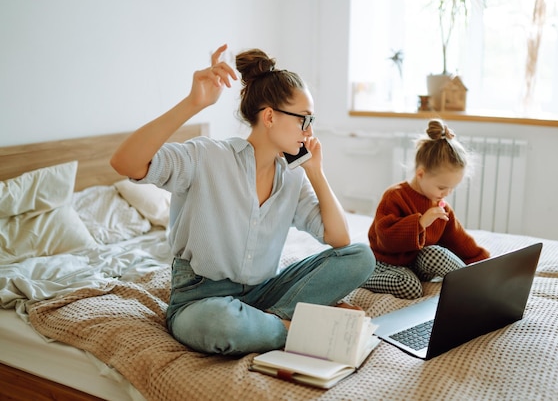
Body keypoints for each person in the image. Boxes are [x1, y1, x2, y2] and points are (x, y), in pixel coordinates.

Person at [110, 44, 375, 356]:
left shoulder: (291, 175)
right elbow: (125, 163)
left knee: (362, 256)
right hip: (201, 299)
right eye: (304, 119)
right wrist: (193, 104)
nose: (309, 131)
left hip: (265, 292)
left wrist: (316, 173)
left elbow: (340, 239)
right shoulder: (206, 157)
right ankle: (297, 328)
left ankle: (274, 323)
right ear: (270, 117)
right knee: (219, 324)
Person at [363, 119, 490, 299]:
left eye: (451, 188)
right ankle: (362, 276)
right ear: (420, 174)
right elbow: (386, 239)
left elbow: (459, 241)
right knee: (410, 287)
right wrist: (420, 223)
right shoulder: (395, 196)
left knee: (437, 254)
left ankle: (470, 284)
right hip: (386, 262)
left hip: (415, 262)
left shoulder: (439, 205)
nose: (446, 193)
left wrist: (486, 265)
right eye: (441, 188)